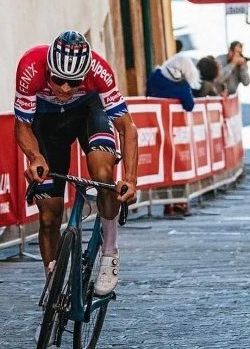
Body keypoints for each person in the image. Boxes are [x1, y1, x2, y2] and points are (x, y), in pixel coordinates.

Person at [14, 30, 138, 298]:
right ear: (48, 69)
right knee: (48, 215)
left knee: (103, 174)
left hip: (88, 113)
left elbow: (127, 129)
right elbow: (23, 124)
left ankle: (109, 252)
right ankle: (53, 290)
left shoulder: (99, 71)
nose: (66, 89)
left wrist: (130, 178)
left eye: (74, 82)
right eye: (59, 80)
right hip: (47, 124)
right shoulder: (30, 67)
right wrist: (35, 157)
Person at [146, 53, 200, 217]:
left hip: (154, 127)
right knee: (178, 165)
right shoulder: (181, 85)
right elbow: (189, 105)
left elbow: (148, 94)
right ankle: (179, 201)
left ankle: (165, 203)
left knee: (161, 165)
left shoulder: (155, 76)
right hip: (175, 132)